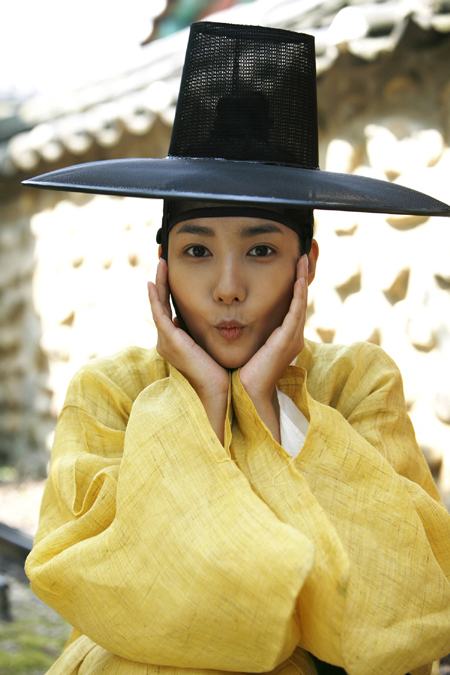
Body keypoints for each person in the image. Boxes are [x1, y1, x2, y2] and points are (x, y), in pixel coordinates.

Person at [23, 21, 450, 675]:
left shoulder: (357, 381)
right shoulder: (111, 391)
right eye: (197, 250)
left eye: (261, 250)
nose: (227, 287)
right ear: (163, 264)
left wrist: (264, 407)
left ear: (307, 264)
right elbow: (112, 585)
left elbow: (401, 603)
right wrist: (203, 400)